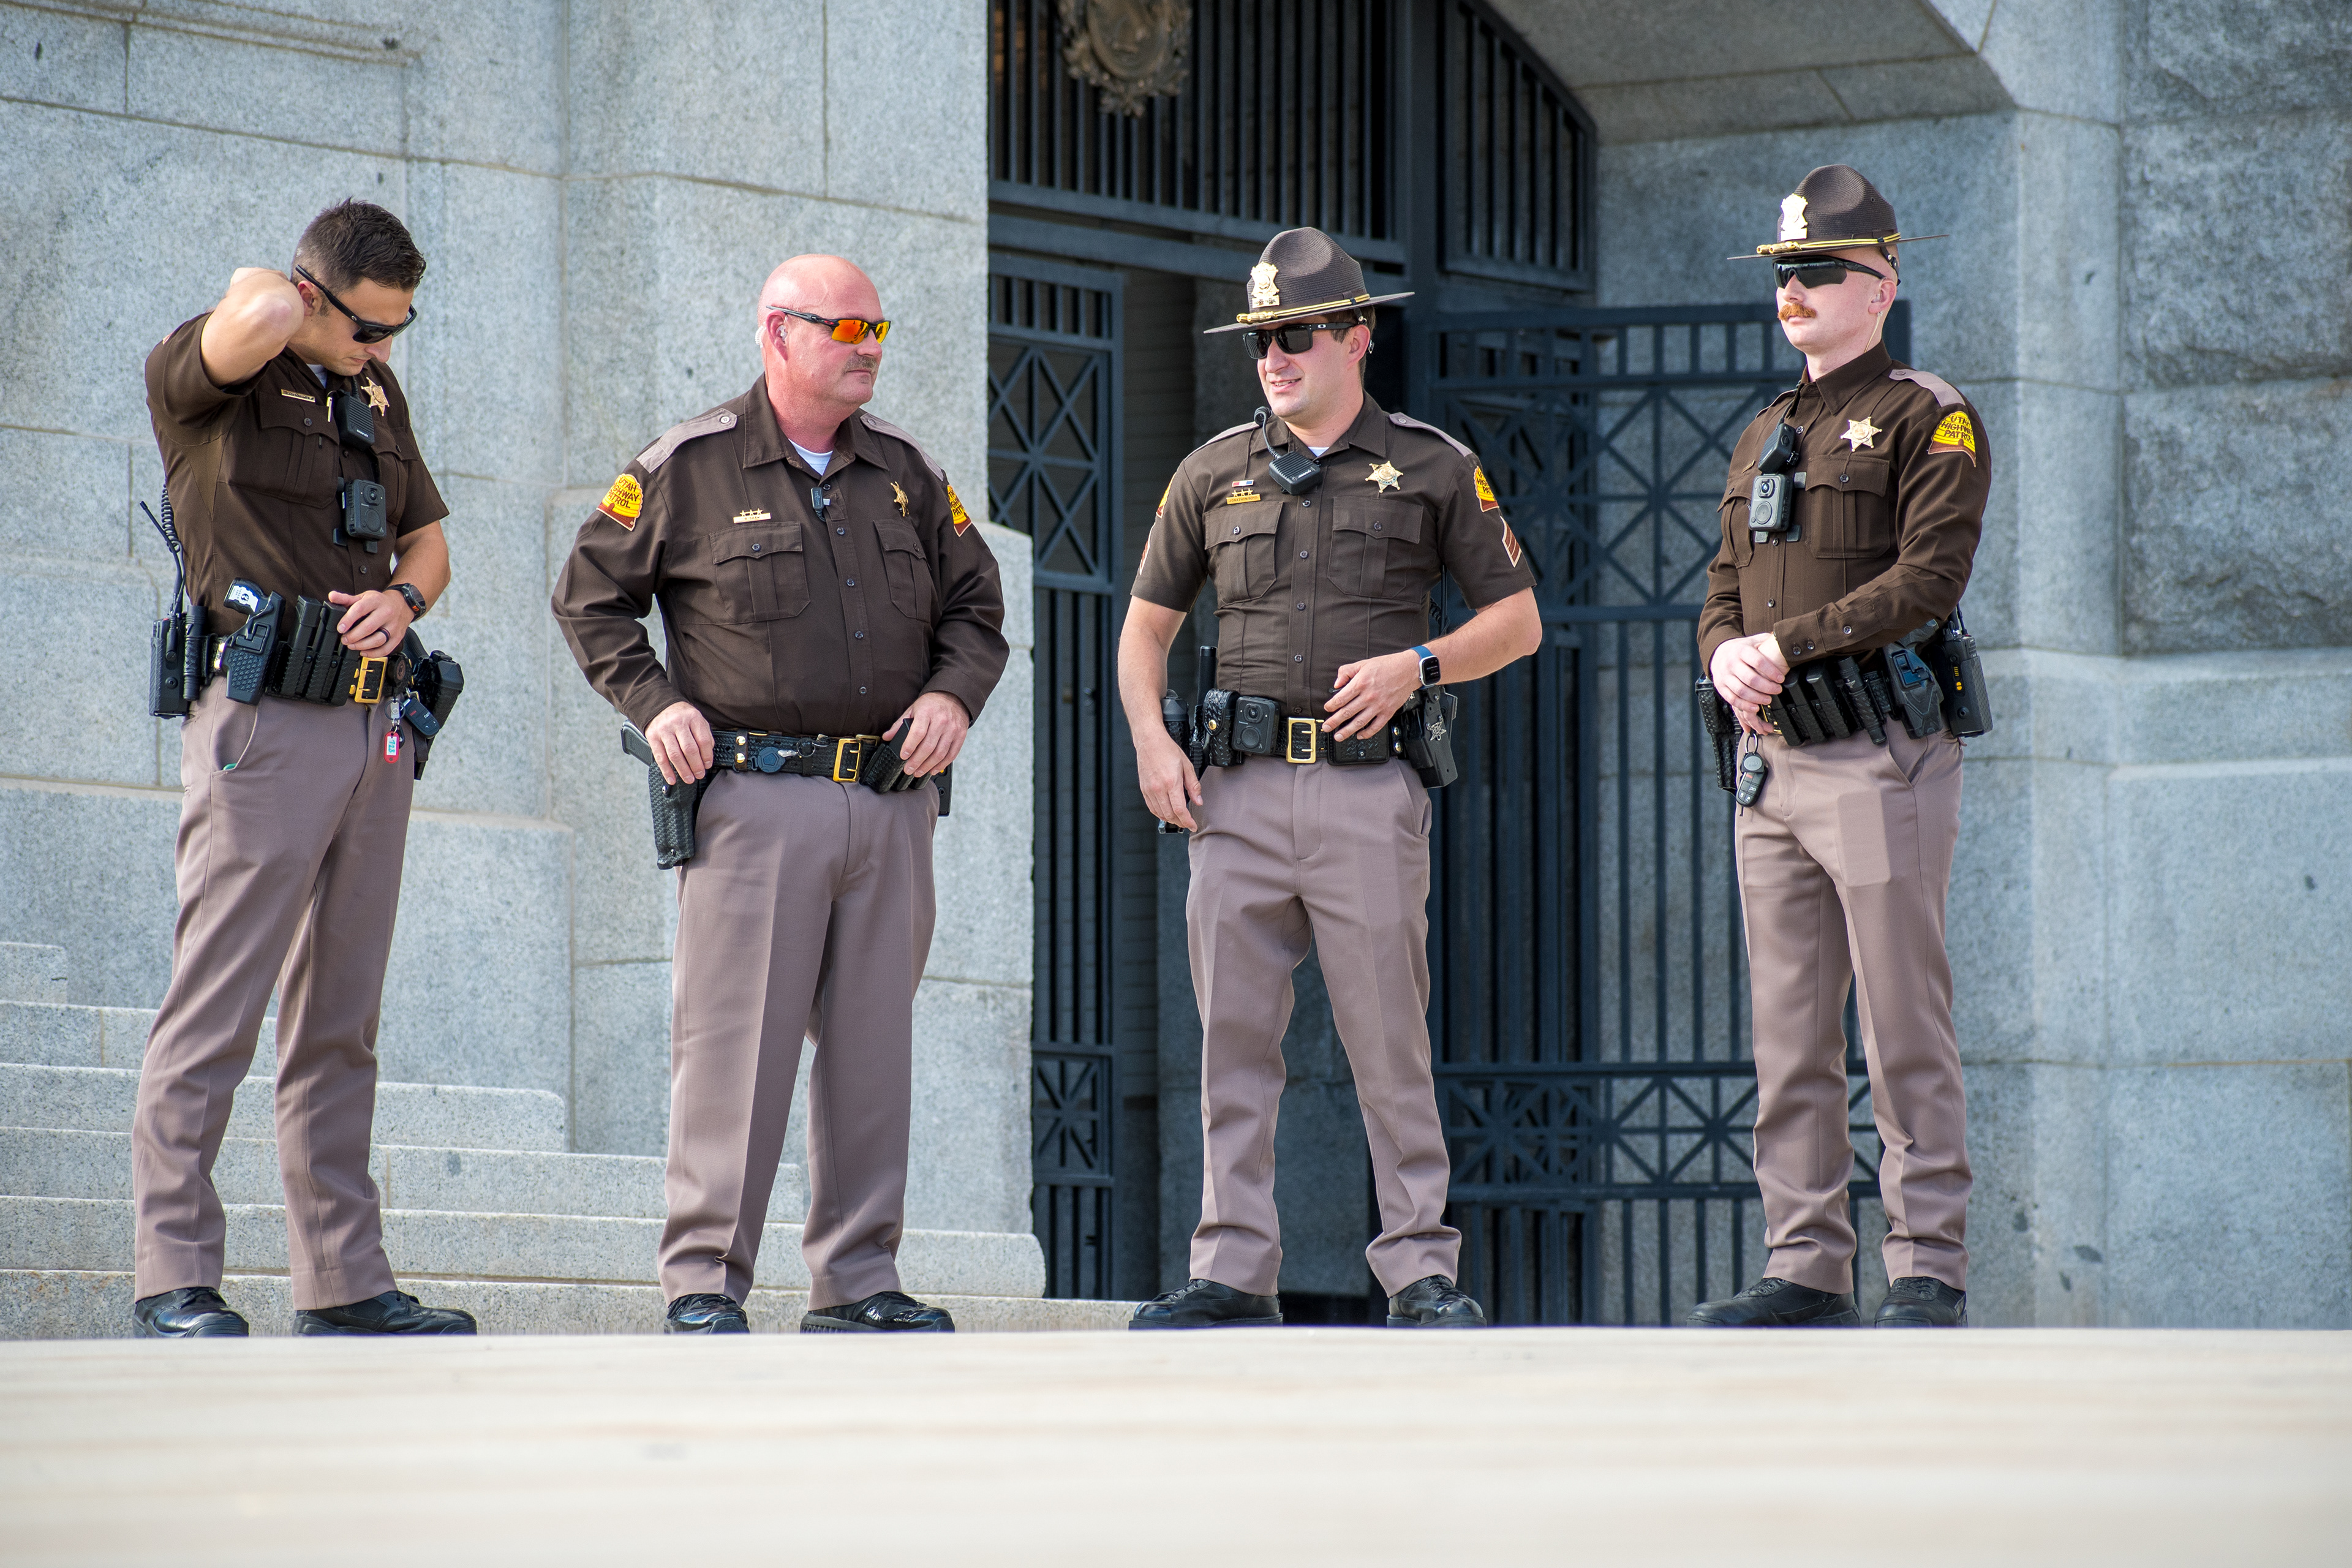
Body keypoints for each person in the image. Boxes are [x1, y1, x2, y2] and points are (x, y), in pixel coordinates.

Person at [552, 254, 1008, 1335]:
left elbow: (977, 612)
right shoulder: (692, 467)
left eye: (878, 329)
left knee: (871, 1055)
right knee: (735, 1051)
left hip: (891, 800)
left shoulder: (906, 473)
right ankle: (705, 1280)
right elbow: (589, 600)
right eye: (844, 328)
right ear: (777, 332)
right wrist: (656, 704)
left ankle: (857, 1282)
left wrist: (953, 700)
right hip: (756, 799)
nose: (868, 348)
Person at [1117, 228, 1544, 1330]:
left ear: (1359, 336)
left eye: (1296, 336)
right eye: (1262, 339)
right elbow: (1143, 630)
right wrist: (1151, 744)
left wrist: (1421, 664)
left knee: (1388, 1040)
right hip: (1238, 793)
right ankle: (1233, 1268)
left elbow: (1519, 621)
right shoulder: (1212, 471)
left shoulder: (1433, 465)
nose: (1275, 357)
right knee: (1233, 1045)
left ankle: (1418, 1270)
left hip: (1365, 792)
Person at [132, 199, 469, 1337]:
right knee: (218, 998)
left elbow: (430, 541)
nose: (387, 349)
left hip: (377, 729)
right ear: (312, 297)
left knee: (339, 1017)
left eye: (403, 329)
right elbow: (264, 307)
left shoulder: (373, 390)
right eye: (372, 327)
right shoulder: (215, 370)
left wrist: (403, 599)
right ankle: (174, 1272)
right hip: (263, 718)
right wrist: (283, 297)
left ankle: (342, 1278)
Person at [1691, 164, 1989, 1329]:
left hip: (1877, 750)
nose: (1797, 290)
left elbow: (1930, 580)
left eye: (1820, 270)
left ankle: (1928, 1265)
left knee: (1902, 1019)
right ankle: (1808, 1262)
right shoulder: (1764, 428)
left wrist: (1786, 646)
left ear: (1884, 283)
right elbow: (1721, 586)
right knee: (1790, 1031)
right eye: (1784, 272)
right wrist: (1727, 654)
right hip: (1772, 765)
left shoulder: (1928, 412)